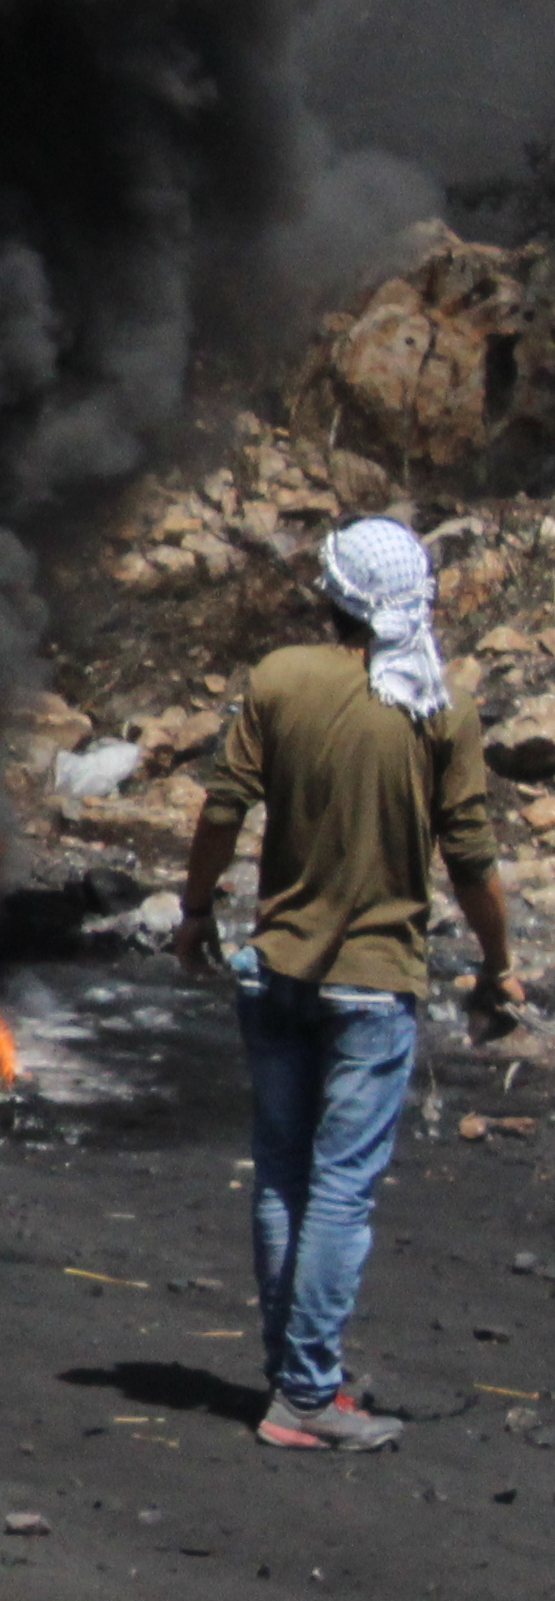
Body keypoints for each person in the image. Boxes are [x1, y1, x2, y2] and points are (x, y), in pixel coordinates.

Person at [184, 516, 517, 1455]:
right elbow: (472, 860)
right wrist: (500, 965)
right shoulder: (437, 705)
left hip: (276, 971)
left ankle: (292, 1370)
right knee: (340, 1192)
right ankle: (305, 1396)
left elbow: (220, 812)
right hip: (374, 989)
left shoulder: (280, 678)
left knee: (283, 1175)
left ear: (330, 595)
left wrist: (194, 911)